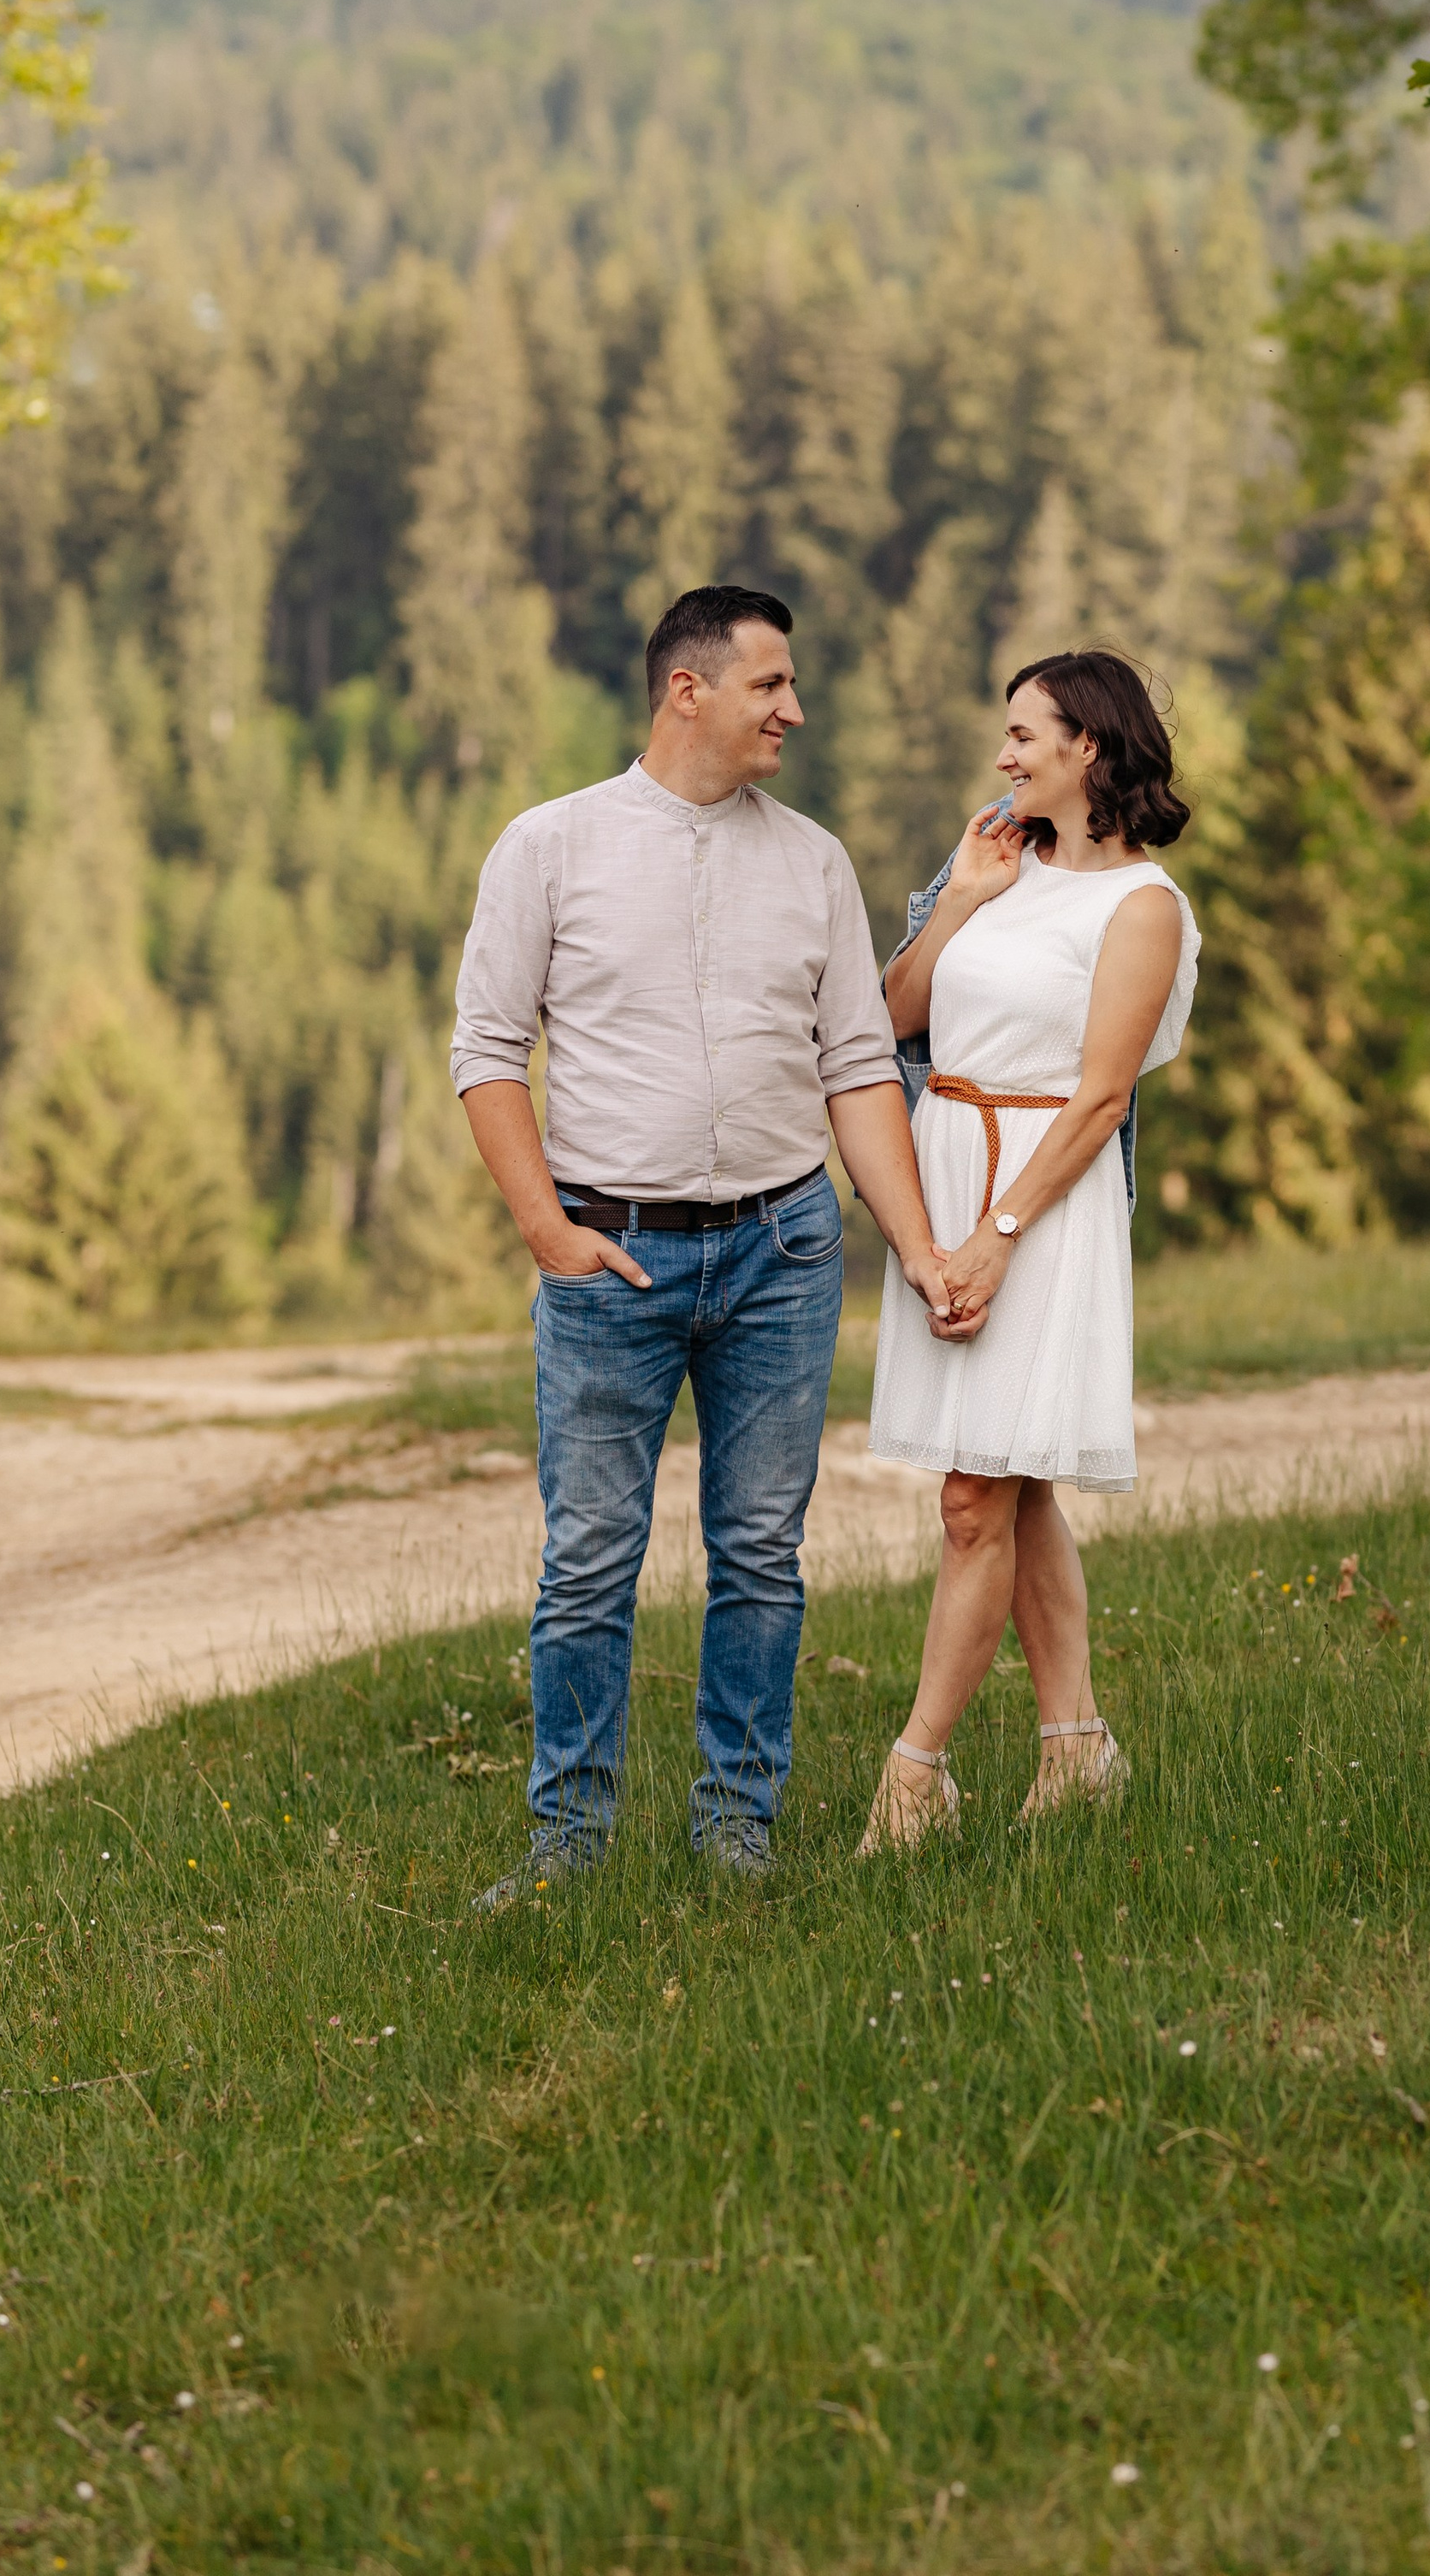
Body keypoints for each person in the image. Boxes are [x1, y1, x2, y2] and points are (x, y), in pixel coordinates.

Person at [452, 583, 960, 1898]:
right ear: (689, 689)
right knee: (590, 1561)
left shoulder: (813, 861)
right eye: (770, 685)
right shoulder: (549, 848)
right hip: (610, 1257)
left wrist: (909, 1243)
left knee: (759, 1555)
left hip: (783, 1254)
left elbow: (858, 1063)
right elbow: (488, 1052)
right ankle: (566, 1844)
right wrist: (546, 1231)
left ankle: (737, 1827)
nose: (793, 708)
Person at [860, 649, 1199, 1852]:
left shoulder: (1143, 908)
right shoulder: (1001, 871)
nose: (1003, 756)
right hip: (946, 1160)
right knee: (1016, 1481)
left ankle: (915, 1779)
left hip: (1039, 1206)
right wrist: (957, 898)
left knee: (971, 1501)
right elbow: (888, 1020)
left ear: (1088, 749)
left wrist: (997, 1239)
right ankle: (1077, 1748)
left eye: (1023, 735)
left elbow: (1102, 1100)